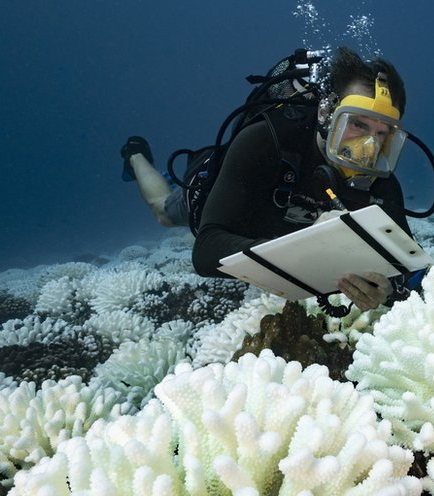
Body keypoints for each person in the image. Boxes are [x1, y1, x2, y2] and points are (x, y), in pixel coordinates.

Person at [120, 47, 414, 311]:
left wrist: (386, 293)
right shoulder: (266, 139)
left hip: (263, 239)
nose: (369, 147)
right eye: (358, 124)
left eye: (382, 133)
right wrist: (309, 244)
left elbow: (406, 272)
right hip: (220, 190)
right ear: (326, 114)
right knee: (163, 212)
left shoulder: (382, 183)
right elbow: (206, 251)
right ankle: (135, 156)